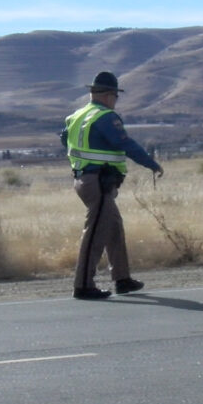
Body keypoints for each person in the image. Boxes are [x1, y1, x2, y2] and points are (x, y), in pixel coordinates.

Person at [60, 71, 164, 300]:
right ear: (109, 95)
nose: (115, 100)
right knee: (95, 232)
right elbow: (124, 143)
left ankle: (122, 278)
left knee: (113, 226)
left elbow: (64, 138)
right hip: (98, 181)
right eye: (115, 96)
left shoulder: (76, 115)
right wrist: (151, 164)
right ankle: (83, 285)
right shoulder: (106, 117)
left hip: (84, 178)